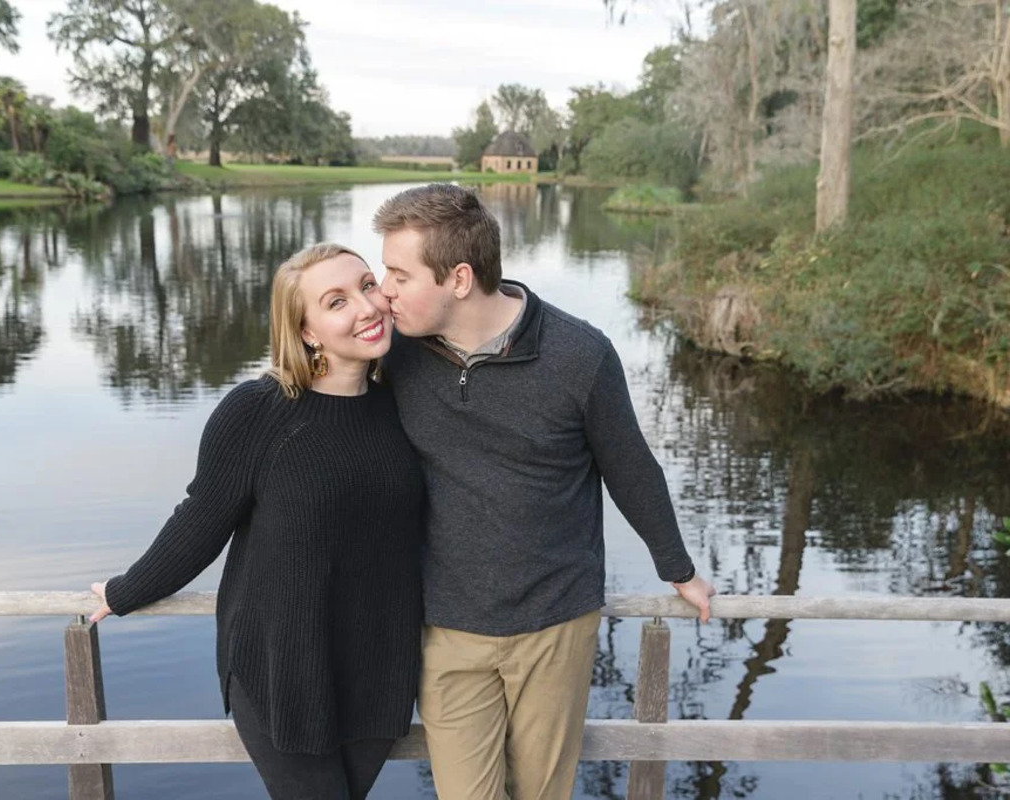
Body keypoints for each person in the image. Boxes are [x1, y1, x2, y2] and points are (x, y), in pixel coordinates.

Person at [372, 184, 717, 800]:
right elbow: (322, 408)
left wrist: (679, 568)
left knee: (540, 795)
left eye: (398, 274)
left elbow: (629, 466)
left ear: (457, 278)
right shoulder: (392, 354)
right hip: (448, 627)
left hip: (556, 623)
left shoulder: (578, 354)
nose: (384, 290)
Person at [87, 242, 424, 800]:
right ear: (307, 330)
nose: (366, 307)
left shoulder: (406, 404)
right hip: (284, 668)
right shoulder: (258, 411)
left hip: (377, 672)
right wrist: (127, 590)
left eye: (368, 285)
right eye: (336, 301)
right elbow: (202, 517)